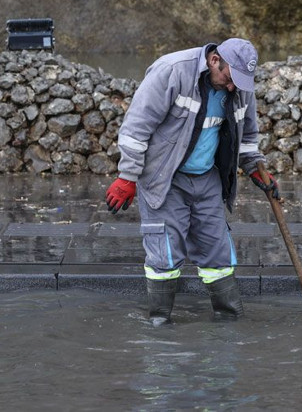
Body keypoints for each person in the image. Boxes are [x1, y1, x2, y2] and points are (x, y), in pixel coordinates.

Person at [105, 38, 279, 325]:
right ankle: (160, 330)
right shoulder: (172, 71)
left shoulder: (240, 88)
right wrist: (128, 176)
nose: (234, 86)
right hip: (165, 178)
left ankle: (228, 325)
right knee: (165, 255)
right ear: (214, 60)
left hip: (207, 178)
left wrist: (254, 167)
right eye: (230, 77)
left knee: (218, 253)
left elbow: (247, 136)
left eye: (240, 82)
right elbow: (136, 128)